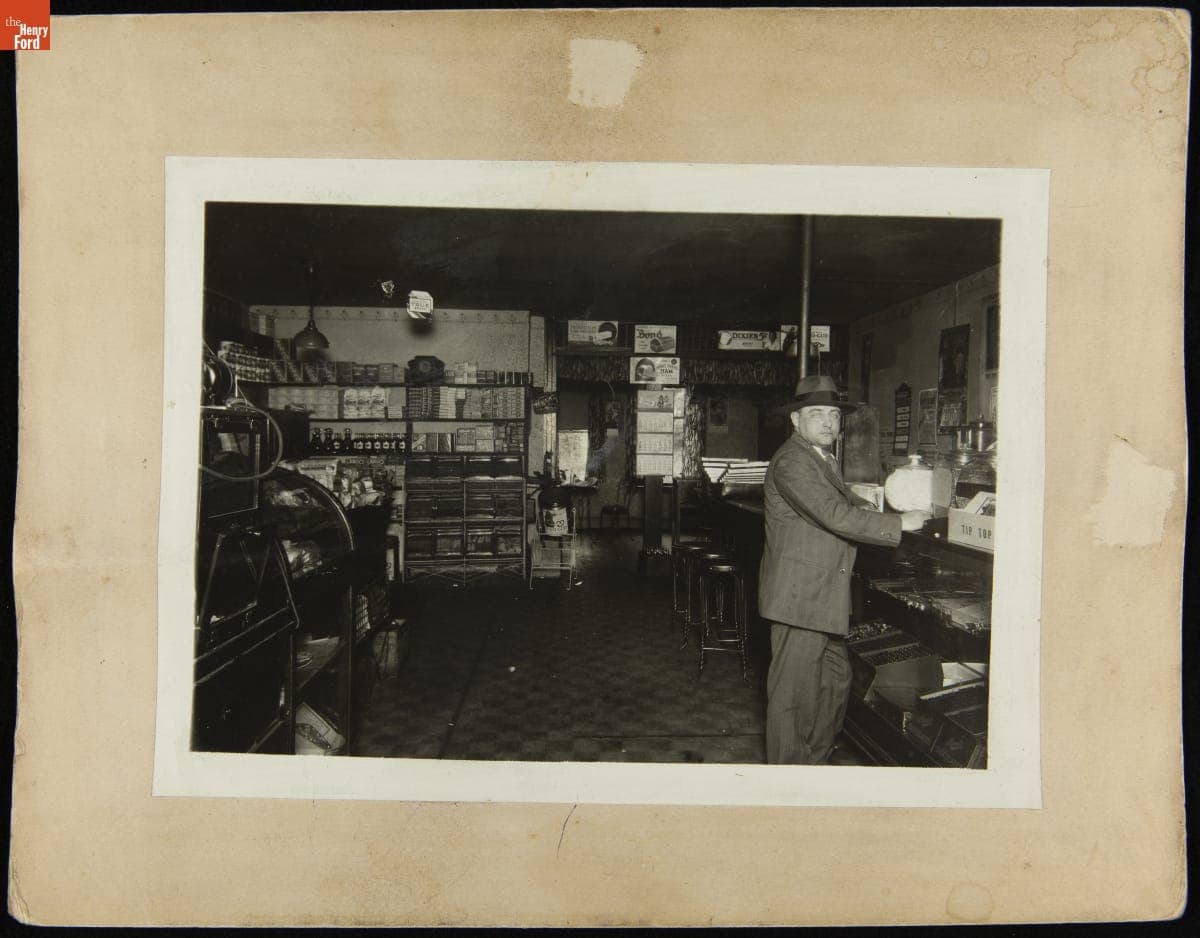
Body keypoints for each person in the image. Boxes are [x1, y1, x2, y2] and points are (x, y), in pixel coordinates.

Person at [759, 375, 929, 764]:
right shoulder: (792, 461)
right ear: (796, 420)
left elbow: (842, 497)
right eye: (817, 414)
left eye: (834, 415)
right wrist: (900, 523)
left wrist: (864, 503)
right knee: (794, 696)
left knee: (835, 681)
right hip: (801, 598)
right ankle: (787, 778)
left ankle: (814, 762)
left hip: (822, 596)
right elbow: (833, 514)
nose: (828, 422)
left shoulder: (821, 457)